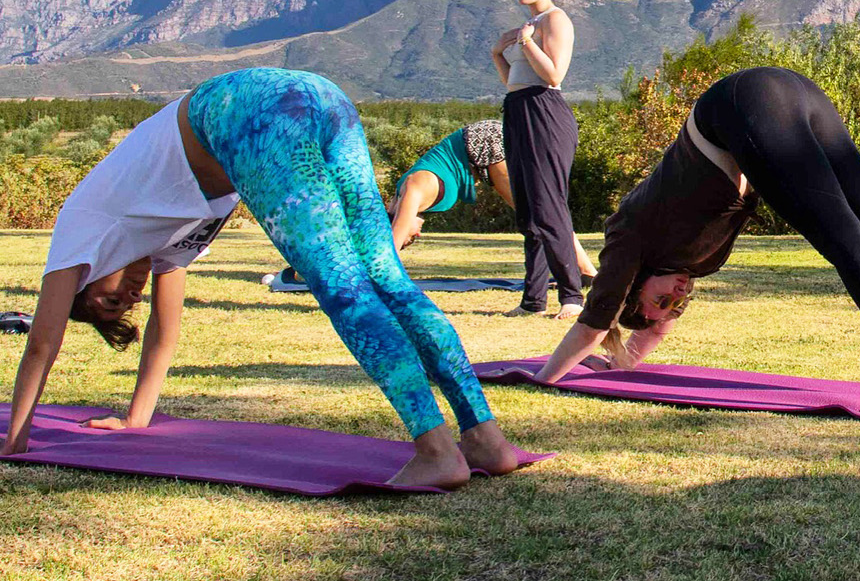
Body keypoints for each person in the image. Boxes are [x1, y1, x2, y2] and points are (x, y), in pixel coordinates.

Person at [3, 68, 522, 489]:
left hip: (253, 110)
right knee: (386, 277)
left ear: (86, 281)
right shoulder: (158, 244)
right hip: (316, 93)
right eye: (123, 309)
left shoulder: (82, 229)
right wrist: (138, 419)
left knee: (345, 287)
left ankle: (436, 450)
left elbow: (43, 343)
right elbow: (166, 332)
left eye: (110, 302)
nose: (129, 297)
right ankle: (485, 440)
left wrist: (15, 441)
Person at [535, 66, 860, 414]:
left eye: (662, 300)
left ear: (632, 289)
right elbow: (656, 326)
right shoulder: (689, 267)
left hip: (745, 102)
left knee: (847, 241)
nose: (678, 298)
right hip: (793, 90)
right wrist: (622, 363)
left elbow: (595, 322)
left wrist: (545, 378)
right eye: (677, 304)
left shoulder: (627, 240)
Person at [491, 0, 585, 319]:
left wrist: (527, 42)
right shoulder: (524, 27)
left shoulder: (555, 20)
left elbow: (554, 75)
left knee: (549, 207)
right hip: (517, 108)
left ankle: (572, 296)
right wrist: (499, 53)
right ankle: (533, 300)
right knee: (527, 211)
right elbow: (514, 81)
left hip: (545, 112)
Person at [386, 119, 597, 277]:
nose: (418, 236)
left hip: (484, 142)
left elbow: (392, 245)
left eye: (411, 238)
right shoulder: (410, 196)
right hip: (482, 151)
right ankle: (585, 270)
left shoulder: (414, 188)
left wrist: (381, 276)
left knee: (539, 214)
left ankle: (585, 271)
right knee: (541, 212)